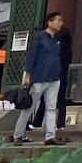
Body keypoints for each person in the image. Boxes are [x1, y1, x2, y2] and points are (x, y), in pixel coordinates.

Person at [13, 11, 66, 144]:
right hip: (39, 78)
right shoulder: (40, 38)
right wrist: (27, 75)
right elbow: (31, 57)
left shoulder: (57, 40)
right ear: (49, 22)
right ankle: (18, 135)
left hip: (54, 78)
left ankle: (50, 136)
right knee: (29, 108)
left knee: (51, 108)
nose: (60, 24)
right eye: (58, 21)